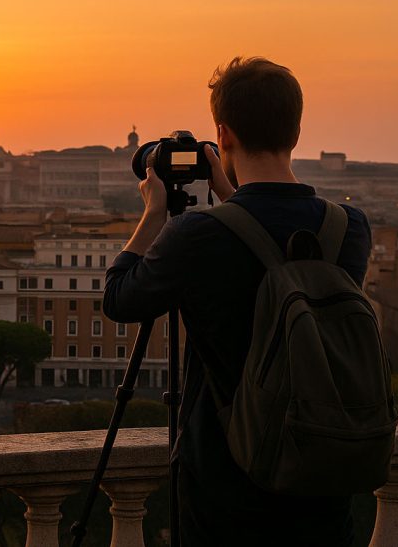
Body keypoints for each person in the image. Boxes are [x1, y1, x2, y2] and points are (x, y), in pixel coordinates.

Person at [103, 57, 371, 547]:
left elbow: (119, 299)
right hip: (324, 477)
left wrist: (155, 213)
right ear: (296, 131)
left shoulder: (198, 235)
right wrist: (233, 197)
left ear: (223, 134)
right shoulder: (348, 228)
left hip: (227, 485)